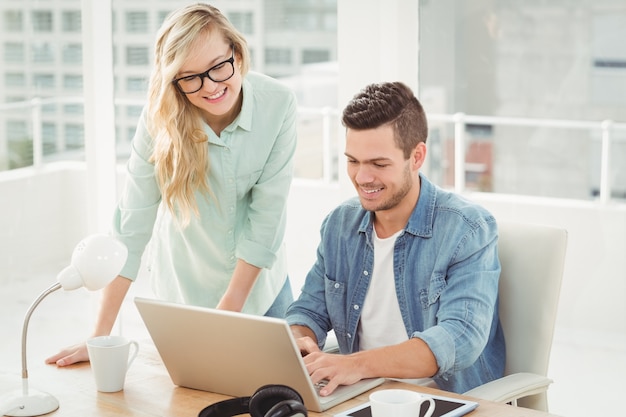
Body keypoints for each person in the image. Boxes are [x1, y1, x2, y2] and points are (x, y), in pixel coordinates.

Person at [47, 3, 297, 366]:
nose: (210, 86)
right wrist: (99, 336)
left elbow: (267, 221)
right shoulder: (159, 118)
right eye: (190, 77)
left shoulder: (278, 105)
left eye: (217, 67)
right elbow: (130, 229)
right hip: (184, 298)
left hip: (261, 293)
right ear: (174, 81)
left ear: (237, 53)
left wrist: (227, 313)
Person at [286, 81, 505, 396]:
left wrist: (355, 365)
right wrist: (300, 340)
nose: (362, 177)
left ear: (416, 157)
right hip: (359, 396)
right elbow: (308, 310)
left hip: (442, 399)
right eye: (353, 161)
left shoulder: (468, 229)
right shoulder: (340, 225)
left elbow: (460, 338)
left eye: (378, 164)